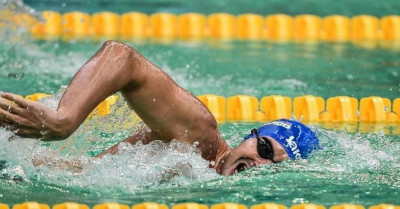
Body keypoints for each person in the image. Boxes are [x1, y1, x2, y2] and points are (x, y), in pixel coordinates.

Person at [0, 40, 319, 176]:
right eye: (264, 147)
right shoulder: (200, 135)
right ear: (250, 137)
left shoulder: (206, 177)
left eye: (273, 165)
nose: (259, 163)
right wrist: (63, 120)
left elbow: (82, 172)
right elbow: (122, 58)